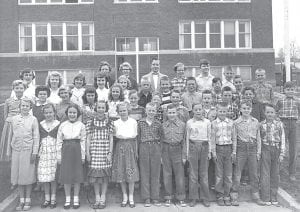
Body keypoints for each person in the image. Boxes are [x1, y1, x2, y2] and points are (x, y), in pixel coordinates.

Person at [231, 100, 264, 206]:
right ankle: (234, 195)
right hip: (241, 148)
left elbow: (258, 137)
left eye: (248, 108)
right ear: (240, 109)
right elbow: (234, 138)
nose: (246, 110)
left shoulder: (255, 121)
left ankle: (256, 195)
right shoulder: (236, 123)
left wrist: (259, 151)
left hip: (253, 148)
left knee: (254, 173)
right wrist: (234, 152)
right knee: (237, 173)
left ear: (251, 109)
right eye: (244, 108)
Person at [10, 98, 40, 211]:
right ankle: (21, 199)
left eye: (27, 106)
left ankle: (28, 199)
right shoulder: (14, 119)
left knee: (27, 176)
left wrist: (35, 152)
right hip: (17, 150)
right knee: (18, 176)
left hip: (28, 151)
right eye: (23, 105)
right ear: (19, 107)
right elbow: (12, 134)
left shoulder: (33, 119)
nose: (24, 107)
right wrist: (12, 147)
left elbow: (36, 136)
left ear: (30, 107)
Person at [57, 104, 86, 209]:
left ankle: (76, 198)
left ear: (77, 114)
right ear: (67, 114)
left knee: (77, 175)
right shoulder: (63, 125)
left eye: (74, 113)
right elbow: (59, 141)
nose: (72, 114)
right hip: (66, 150)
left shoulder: (81, 125)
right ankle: (68, 198)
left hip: (77, 149)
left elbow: (83, 141)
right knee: (67, 175)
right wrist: (58, 156)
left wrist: (83, 156)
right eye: (70, 112)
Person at [86, 101, 114, 209]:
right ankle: (97, 197)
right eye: (99, 107)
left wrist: (110, 153)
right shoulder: (90, 122)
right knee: (95, 177)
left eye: (103, 107)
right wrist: (88, 152)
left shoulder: (110, 122)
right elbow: (88, 139)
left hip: (105, 150)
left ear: (105, 109)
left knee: (104, 177)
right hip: (94, 151)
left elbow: (111, 138)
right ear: (96, 109)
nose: (101, 109)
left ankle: (103, 197)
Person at [111, 103, 139, 208]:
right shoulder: (115, 123)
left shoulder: (133, 122)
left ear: (128, 111)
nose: (123, 112)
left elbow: (135, 138)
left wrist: (136, 151)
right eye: (121, 111)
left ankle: (131, 196)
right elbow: (114, 137)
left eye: (125, 110)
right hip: (120, 146)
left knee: (131, 171)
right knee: (121, 171)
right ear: (118, 112)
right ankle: (124, 196)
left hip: (131, 146)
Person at [184, 103, 211, 207]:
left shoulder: (207, 122)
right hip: (192, 147)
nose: (198, 111)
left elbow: (209, 137)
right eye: (196, 109)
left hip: (204, 147)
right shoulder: (189, 122)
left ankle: (205, 197)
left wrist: (209, 152)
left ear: (203, 110)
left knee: (204, 174)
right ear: (193, 111)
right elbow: (187, 138)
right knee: (193, 174)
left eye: (200, 109)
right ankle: (193, 197)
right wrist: (187, 153)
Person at [137, 103, 163, 207]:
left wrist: (160, 152)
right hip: (143, 146)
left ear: (156, 112)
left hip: (155, 147)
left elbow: (161, 138)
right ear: (146, 111)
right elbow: (138, 138)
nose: (151, 112)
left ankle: (155, 197)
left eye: (153, 110)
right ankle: (146, 197)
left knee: (155, 173)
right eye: (149, 110)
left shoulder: (158, 123)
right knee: (144, 172)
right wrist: (138, 151)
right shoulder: (140, 123)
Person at [162, 104, 187, 207]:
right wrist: (161, 156)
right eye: (169, 113)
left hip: (178, 150)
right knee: (167, 174)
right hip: (166, 150)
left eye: (173, 112)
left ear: (176, 113)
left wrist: (184, 155)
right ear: (166, 114)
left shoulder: (182, 125)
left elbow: (184, 141)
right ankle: (168, 197)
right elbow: (161, 141)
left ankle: (181, 197)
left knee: (179, 175)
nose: (171, 114)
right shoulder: (163, 125)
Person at [260, 104, 285, 206]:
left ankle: (273, 196)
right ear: (264, 113)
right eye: (268, 112)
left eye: (272, 112)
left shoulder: (279, 124)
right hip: (265, 149)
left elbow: (282, 138)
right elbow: (259, 139)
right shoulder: (261, 125)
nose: (270, 114)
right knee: (265, 174)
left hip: (276, 149)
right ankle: (265, 197)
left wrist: (282, 153)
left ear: (275, 113)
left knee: (275, 174)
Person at [275, 81, 300, 181]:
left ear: (295, 90)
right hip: (283, 123)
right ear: (284, 90)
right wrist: (279, 122)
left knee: (293, 149)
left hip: (294, 124)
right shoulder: (280, 100)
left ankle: (292, 173)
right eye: (288, 89)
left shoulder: (298, 101)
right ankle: (277, 171)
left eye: (292, 89)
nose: (290, 91)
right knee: (281, 147)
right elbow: (275, 112)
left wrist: (297, 121)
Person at [211, 102, 234, 206]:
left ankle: (227, 194)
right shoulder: (213, 123)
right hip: (218, 149)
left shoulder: (231, 123)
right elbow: (212, 139)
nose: (222, 113)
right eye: (220, 111)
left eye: (224, 111)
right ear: (216, 111)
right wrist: (214, 152)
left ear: (227, 111)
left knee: (228, 174)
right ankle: (219, 194)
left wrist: (234, 152)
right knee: (219, 174)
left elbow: (234, 138)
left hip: (228, 148)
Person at [38, 104, 60, 209]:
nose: (48, 114)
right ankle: (47, 198)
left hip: (54, 151)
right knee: (45, 176)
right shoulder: (41, 124)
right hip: (44, 152)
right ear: (43, 114)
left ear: (54, 113)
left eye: (50, 112)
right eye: (46, 113)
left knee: (53, 176)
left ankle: (53, 198)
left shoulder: (58, 124)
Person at [0, 80, 25, 161]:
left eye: (21, 88)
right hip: (10, 124)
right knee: (9, 142)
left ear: (24, 89)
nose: (19, 90)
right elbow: (5, 115)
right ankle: (8, 159)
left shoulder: (27, 100)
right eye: (16, 88)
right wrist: (9, 122)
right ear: (13, 89)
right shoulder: (8, 101)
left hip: (22, 124)